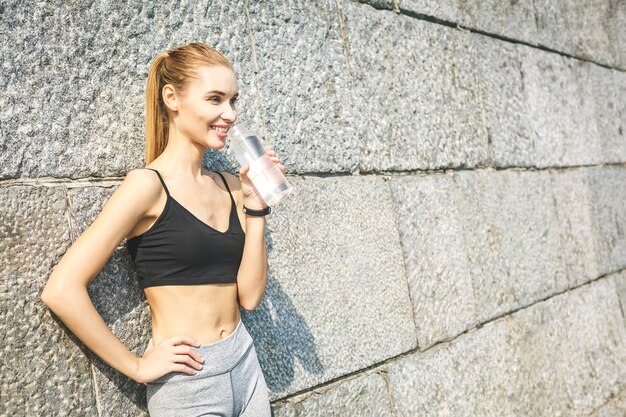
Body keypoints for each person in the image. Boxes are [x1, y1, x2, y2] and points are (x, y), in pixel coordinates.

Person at [40, 42, 283, 416]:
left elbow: (249, 298)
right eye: (215, 99)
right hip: (188, 383)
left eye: (233, 100)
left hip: (245, 363)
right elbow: (61, 290)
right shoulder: (147, 186)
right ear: (172, 98)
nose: (229, 114)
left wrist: (255, 206)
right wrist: (137, 366)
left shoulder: (233, 185)